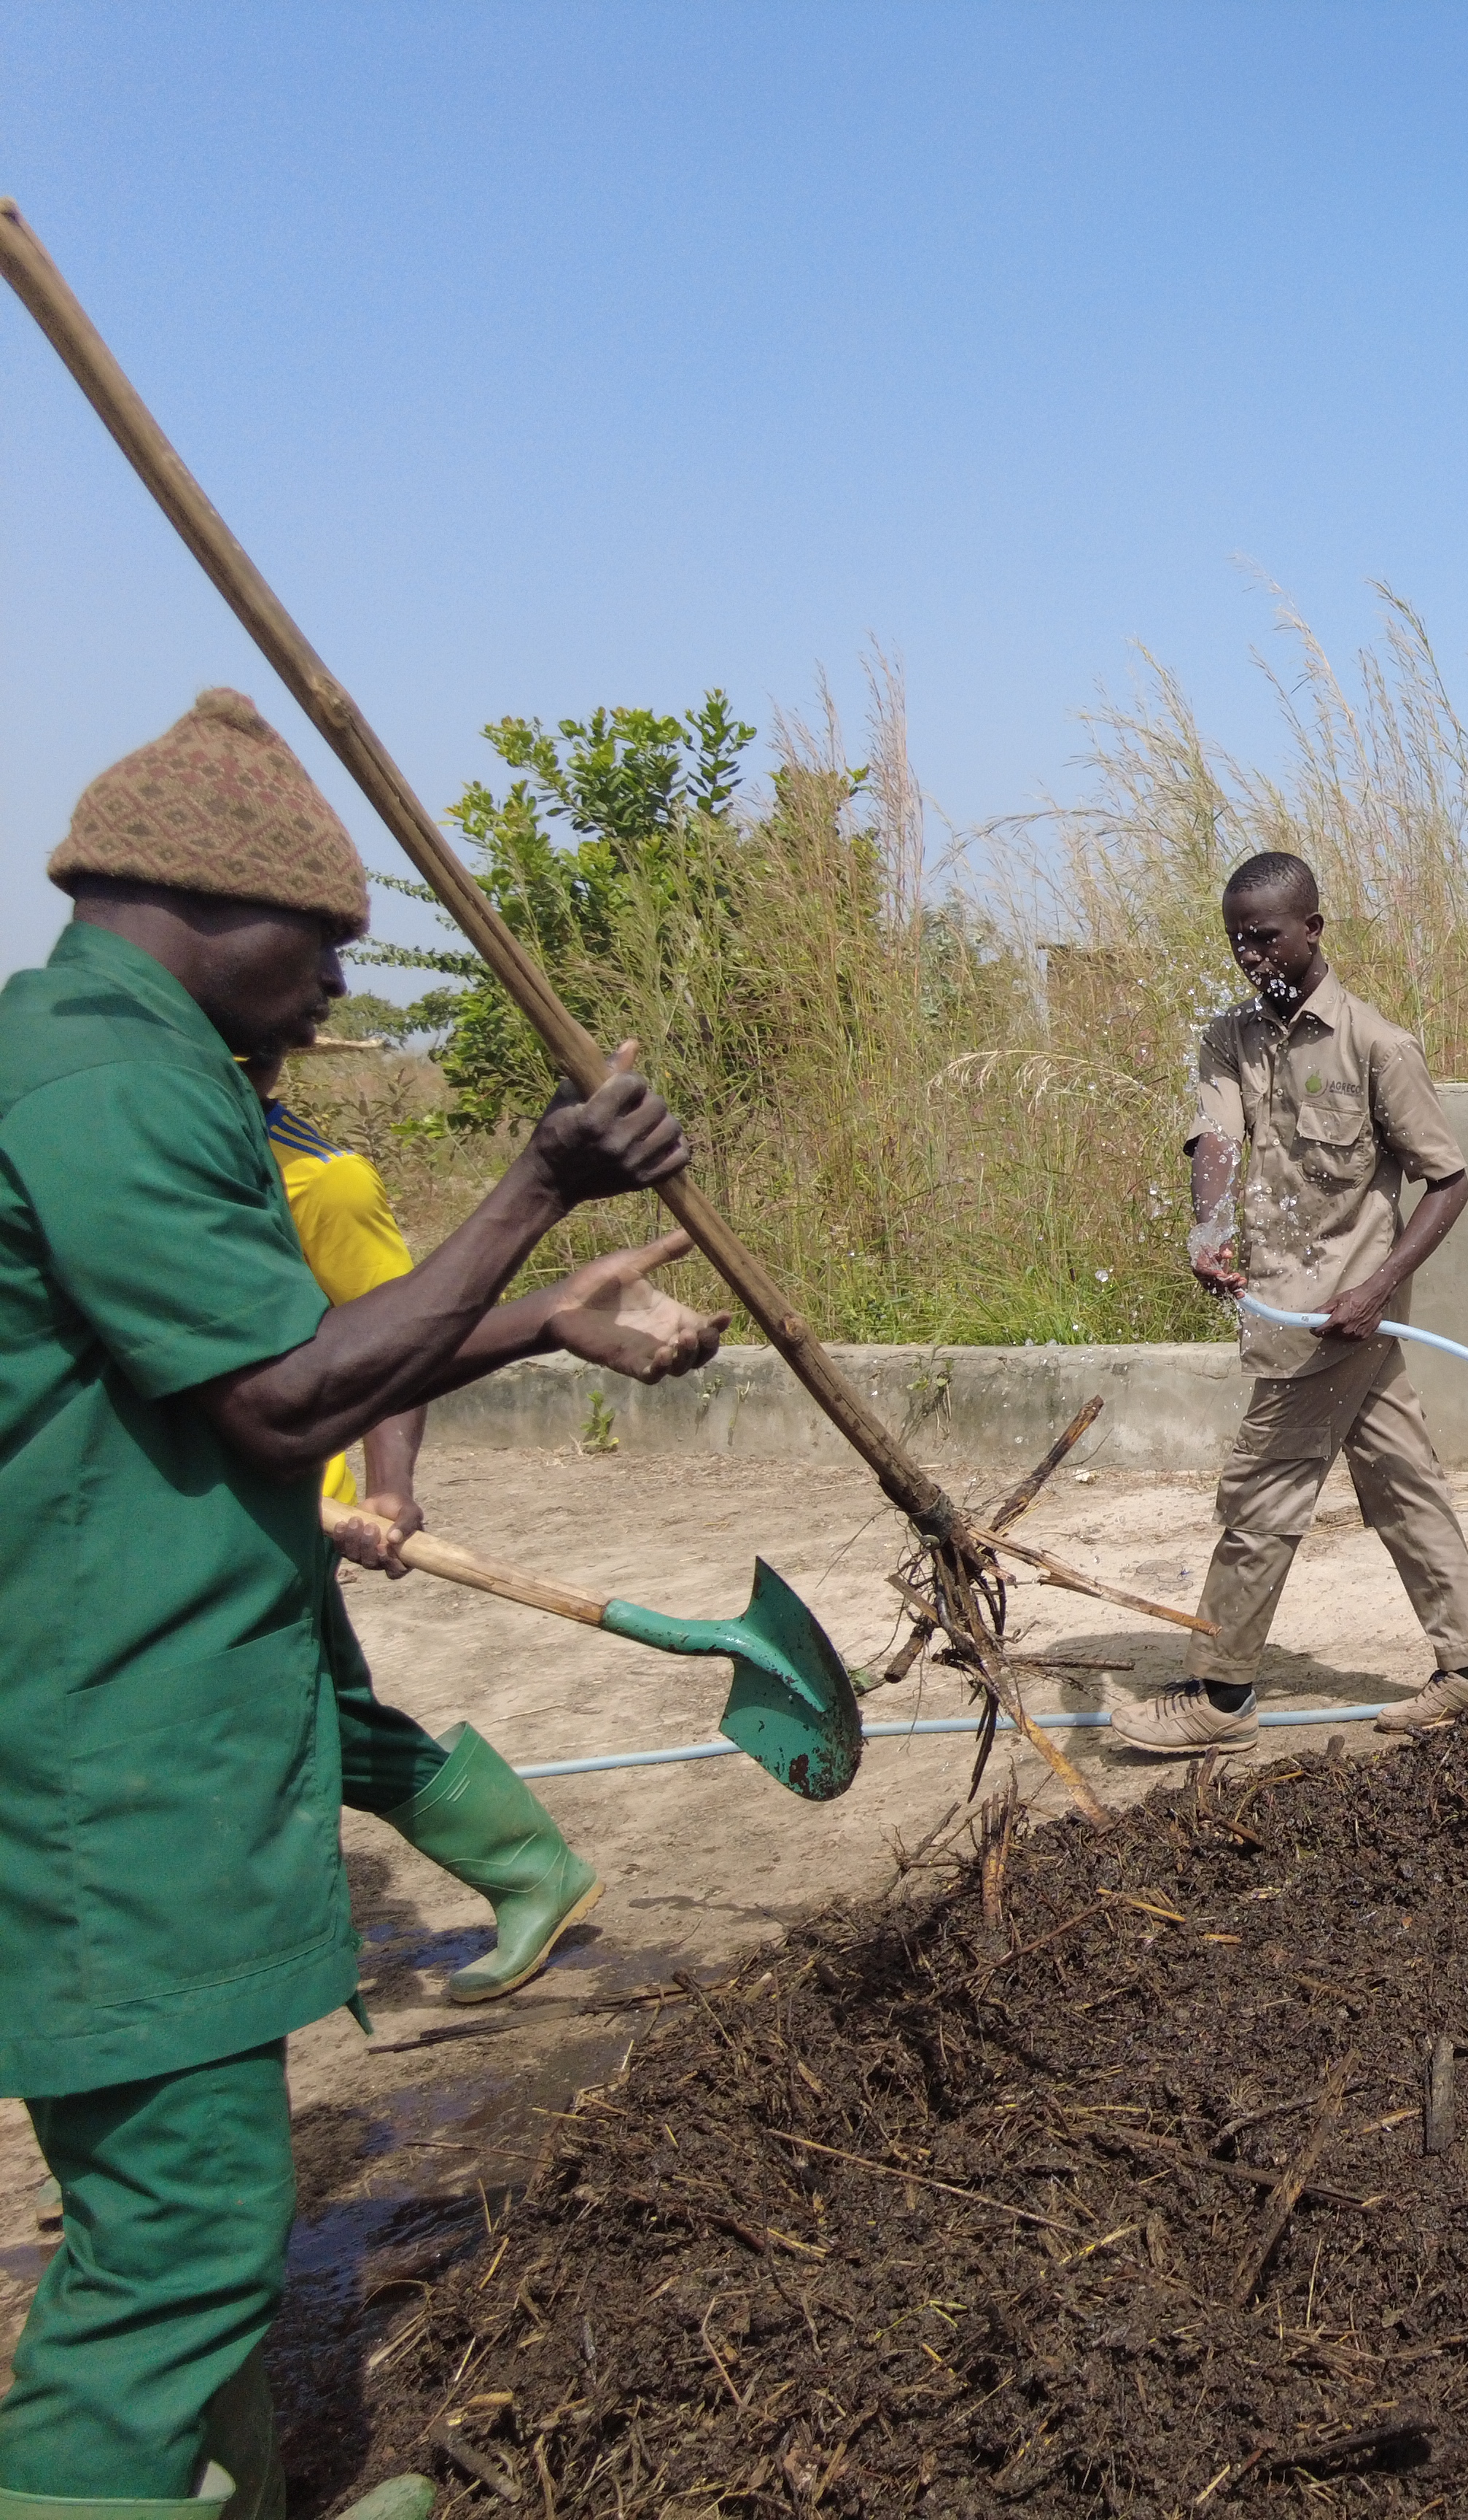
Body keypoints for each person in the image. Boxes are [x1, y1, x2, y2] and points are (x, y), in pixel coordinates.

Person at [0, 690, 726, 2519]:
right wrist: (536, 1190)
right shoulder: (99, 1082)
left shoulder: (148, 1064)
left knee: (210, 2203)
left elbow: (282, 1352)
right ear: (200, 904)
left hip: (165, 1697)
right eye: (323, 941)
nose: (335, 984)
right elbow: (287, 1398)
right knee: (169, 2234)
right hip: (109, 1739)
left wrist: (541, 1313)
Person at [254, 1046, 641, 2007]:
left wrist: (388, 1487)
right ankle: (527, 1868)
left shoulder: (319, 1180)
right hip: (215, 1501)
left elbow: (395, 1332)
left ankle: (527, 1868)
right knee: (308, 1717)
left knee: (307, 1715)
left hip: (279, 1511)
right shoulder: (128, 1158)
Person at [1124, 849, 1468, 1755]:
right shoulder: (1229, 1038)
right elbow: (1217, 1136)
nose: (1250, 954)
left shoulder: (1377, 1046)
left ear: (1312, 931)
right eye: (1236, 940)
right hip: (1293, 1310)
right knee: (1403, 1486)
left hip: (1339, 1320)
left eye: (1265, 937)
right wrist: (1206, 1228)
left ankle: (1220, 1698)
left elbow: (1448, 1183)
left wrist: (1377, 1287)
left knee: (1260, 1501)